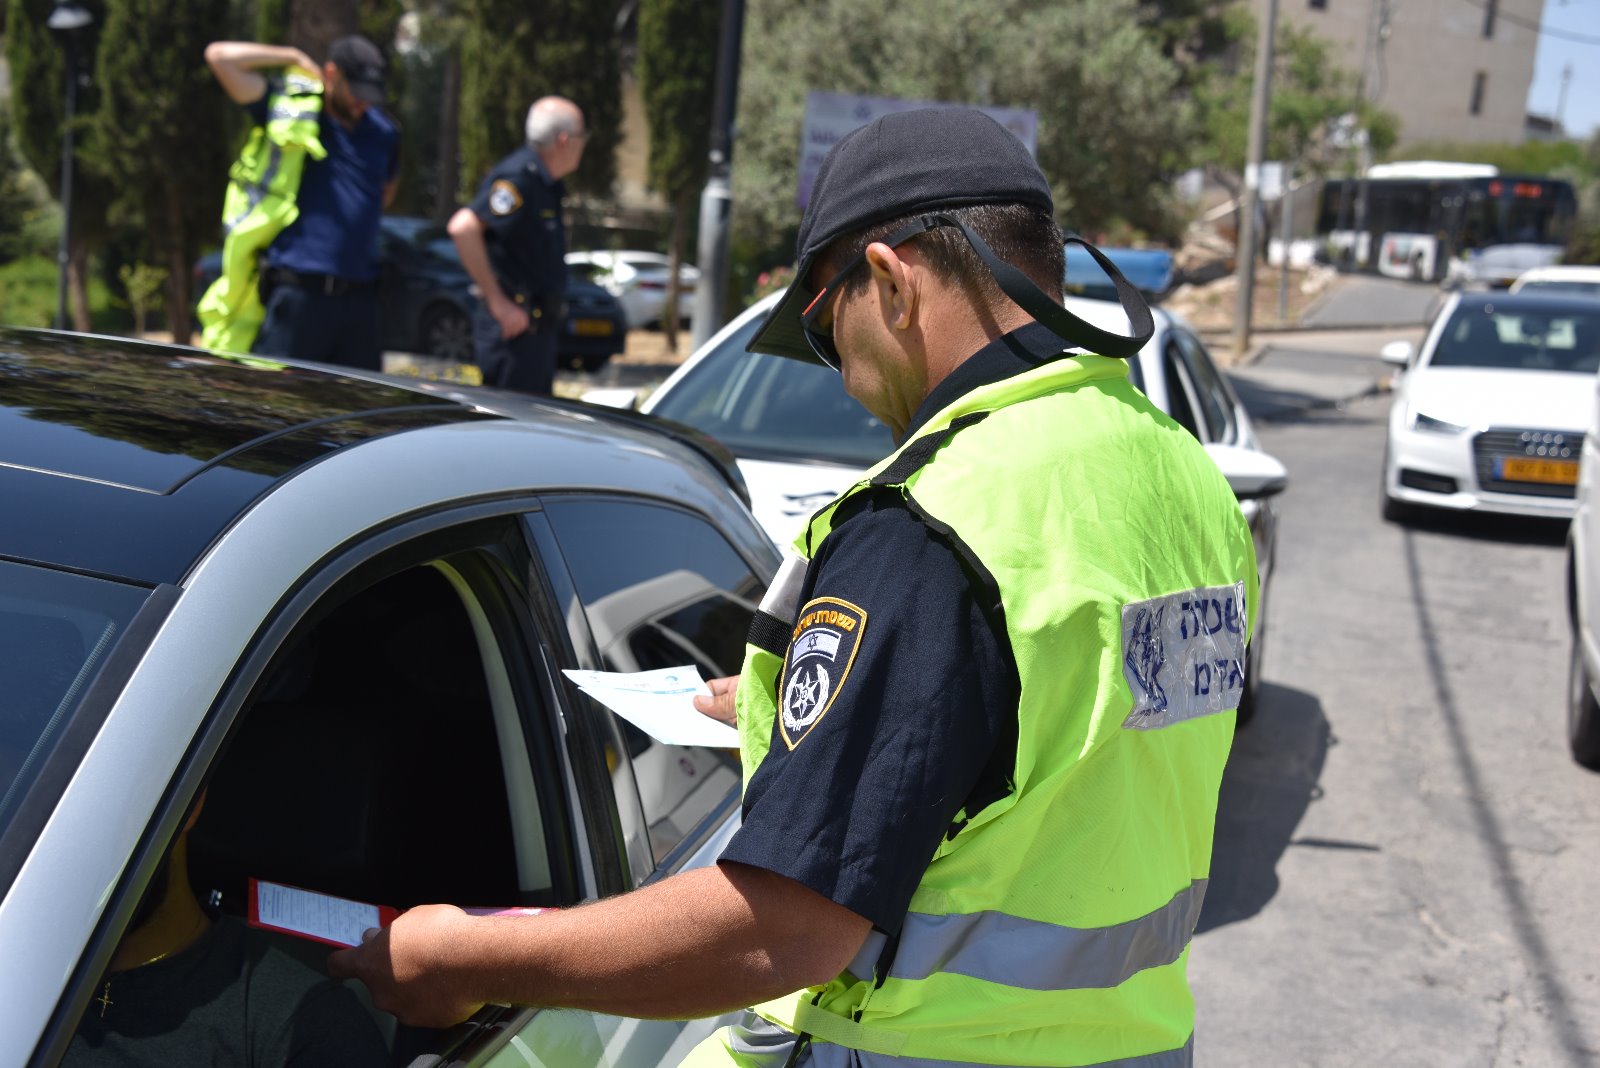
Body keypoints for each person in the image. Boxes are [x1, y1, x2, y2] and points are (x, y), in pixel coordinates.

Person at [330, 107, 1258, 1068]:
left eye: (825, 331)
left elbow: (780, 931)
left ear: (892, 283)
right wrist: (828, 711)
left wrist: (465, 957)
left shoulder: (933, 525)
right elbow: (1071, 740)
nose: (846, 379)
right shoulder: (1183, 478)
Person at [65, 793, 389, 1066]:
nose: (59, 836)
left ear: (187, 803)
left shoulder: (305, 1025)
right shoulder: (18, 973)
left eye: (95, 800)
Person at [205, 35, 400, 370]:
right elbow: (219, 57)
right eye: (355, 92)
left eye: (370, 95)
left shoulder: (384, 132)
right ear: (331, 74)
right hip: (299, 295)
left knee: (361, 416)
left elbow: (386, 192)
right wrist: (291, 55)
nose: (363, 104)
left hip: (361, 301)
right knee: (277, 405)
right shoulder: (292, 109)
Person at [448, 96, 588, 395]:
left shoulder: (547, 182)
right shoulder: (519, 178)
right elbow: (463, 228)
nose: (584, 144)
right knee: (506, 435)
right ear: (564, 140)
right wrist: (499, 303)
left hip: (536, 334)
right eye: (581, 136)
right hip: (513, 337)